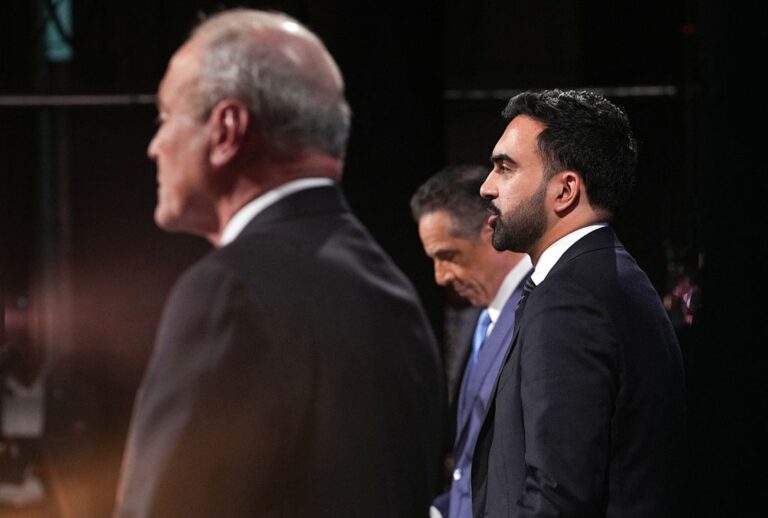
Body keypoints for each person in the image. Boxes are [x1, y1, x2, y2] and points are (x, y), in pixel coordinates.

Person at [113, 9, 445, 517]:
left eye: (164, 117)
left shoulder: (229, 292)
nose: (153, 145)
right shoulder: (392, 292)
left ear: (226, 129)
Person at [472, 89, 686, 517]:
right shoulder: (606, 277)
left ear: (565, 190)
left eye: (505, 168)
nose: (486, 187)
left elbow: (559, 495)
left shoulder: (572, 298)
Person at [410, 165, 531, 518]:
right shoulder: (483, 318)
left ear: (491, 230)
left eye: (448, 255)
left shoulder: (538, 315)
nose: (440, 276)